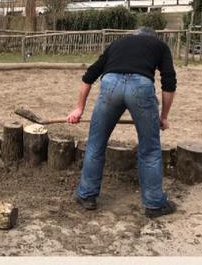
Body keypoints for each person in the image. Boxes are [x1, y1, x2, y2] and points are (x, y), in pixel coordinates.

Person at [68, 27, 177, 217]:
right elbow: (169, 83)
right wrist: (164, 117)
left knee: (95, 143)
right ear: (152, 38)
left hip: (110, 85)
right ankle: (154, 204)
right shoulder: (160, 45)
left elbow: (89, 76)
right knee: (149, 149)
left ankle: (87, 195)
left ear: (134, 35)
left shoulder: (118, 43)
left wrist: (79, 109)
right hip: (141, 87)